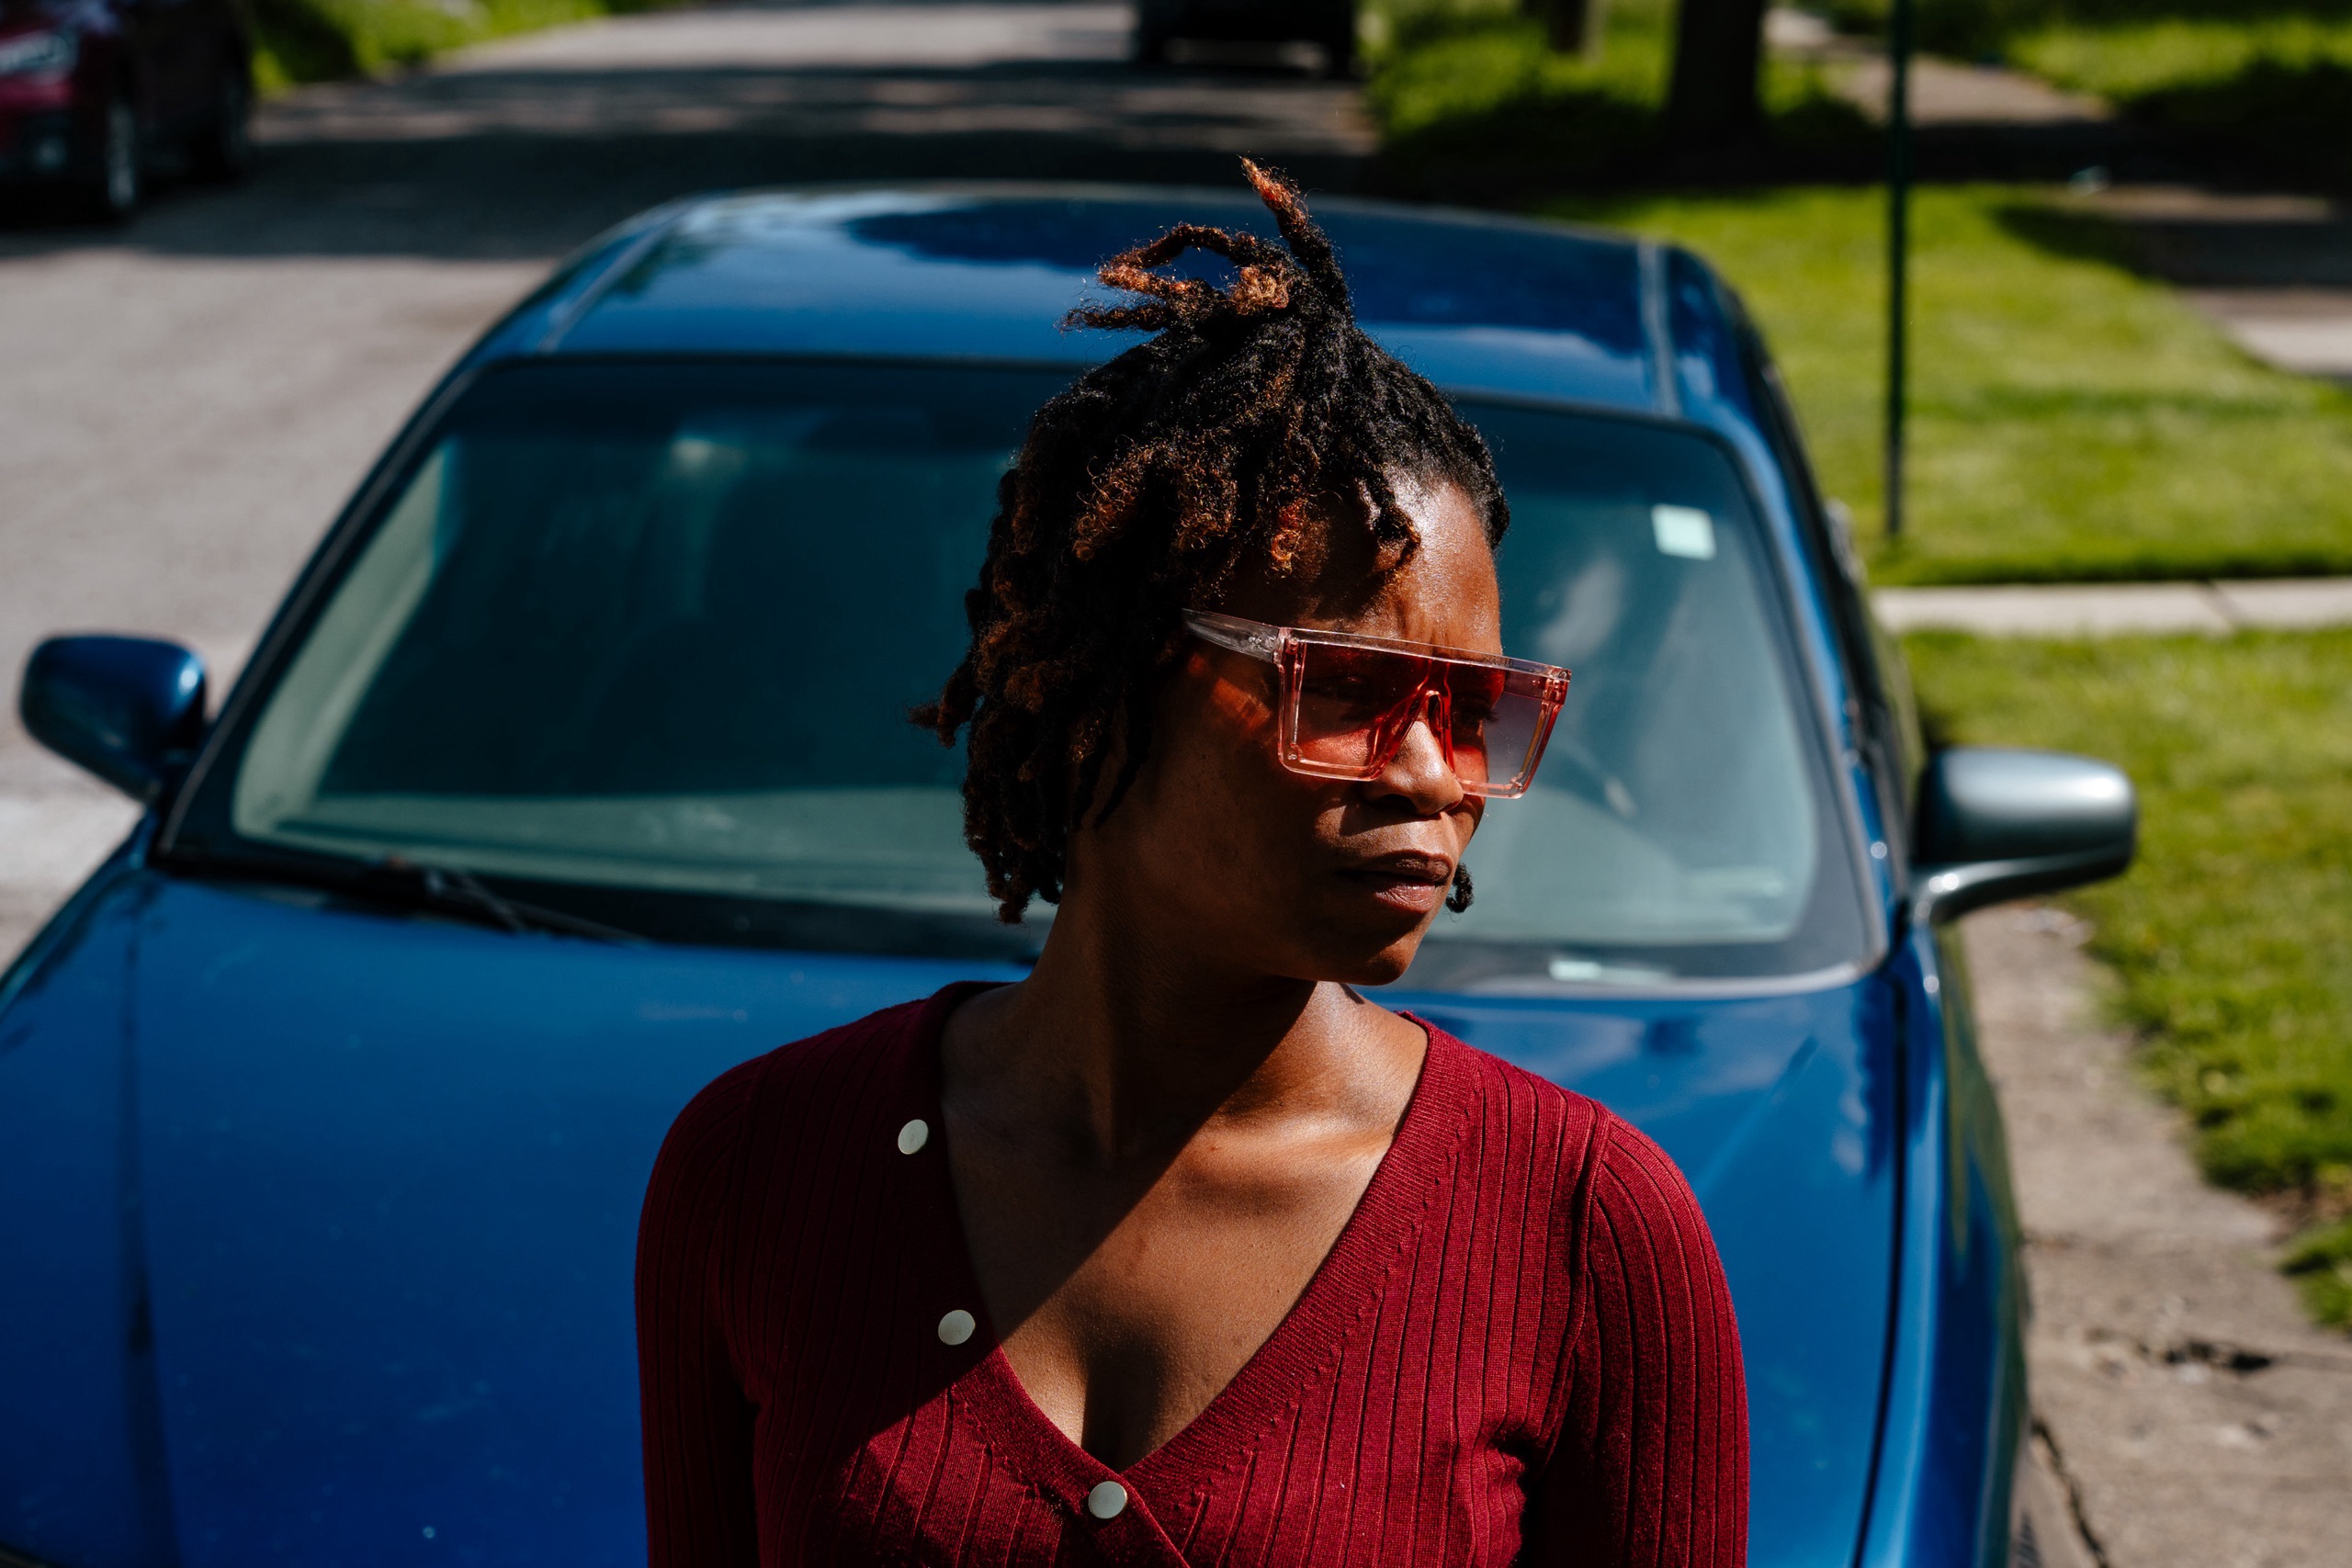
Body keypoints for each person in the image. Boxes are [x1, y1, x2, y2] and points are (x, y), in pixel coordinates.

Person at [636, 162, 1747, 1566]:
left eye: (1473, 711)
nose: (1432, 775)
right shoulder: (761, 1170)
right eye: (1344, 689)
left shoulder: (1588, 1228)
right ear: (1104, 686)